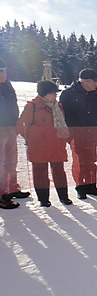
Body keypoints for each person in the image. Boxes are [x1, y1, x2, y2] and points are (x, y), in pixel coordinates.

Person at [17, 81, 72, 207]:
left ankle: (64, 196)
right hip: (39, 146)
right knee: (40, 172)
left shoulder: (58, 107)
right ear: (44, 93)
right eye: (52, 92)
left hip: (56, 144)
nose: (55, 95)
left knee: (59, 170)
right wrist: (33, 138)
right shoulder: (32, 106)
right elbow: (21, 126)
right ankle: (43, 199)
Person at [60, 68, 97, 200]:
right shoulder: (68, 94)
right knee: (79, 161)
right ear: (85, 81)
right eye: (94, 82)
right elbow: (64, 115)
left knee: (91, 160)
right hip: (76, 133)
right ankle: (80, 187)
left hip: (92, 132)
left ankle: (91, 185)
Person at [0, 59, 30, 209]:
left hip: (11, 127)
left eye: (4, 69)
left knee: (11, 161)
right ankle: (1, 194)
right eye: (0, 70)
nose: (3, 73)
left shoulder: (7, 85)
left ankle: (12, 188)